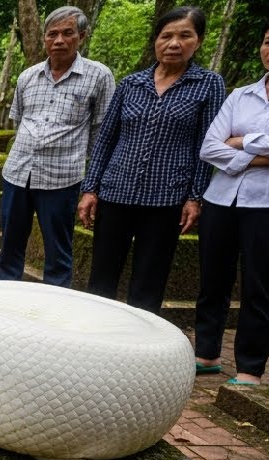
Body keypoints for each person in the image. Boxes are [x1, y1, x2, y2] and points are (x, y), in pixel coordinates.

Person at [78, 6, 224, 314]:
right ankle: (92, 337)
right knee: (101, 278)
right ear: (155, 40)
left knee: (148, 282)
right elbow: (107, 138)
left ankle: (139, 350)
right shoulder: (132, 83)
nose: (174, 43)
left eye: (184, 36)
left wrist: (195, 197)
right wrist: (90, 189)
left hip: (166, 197)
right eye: (166, 36)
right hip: (116, 191)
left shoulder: (208, 84)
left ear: (198, 41)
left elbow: (206, 145)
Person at [192, 9, 269, 386]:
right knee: (212, 279)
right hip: (221, 199)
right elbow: (209, 147)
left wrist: (241, 142)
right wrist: (267, 156)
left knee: (260, 285)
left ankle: (249, 368)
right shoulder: (239, 95)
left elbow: (228, 145)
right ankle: (206, 353)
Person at [0, 6, 114, 287]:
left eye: (67, 33)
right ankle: (3, 302)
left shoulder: (99, 76)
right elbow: (21, 120)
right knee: (10, 247)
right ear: (45, 39)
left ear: (81, 36)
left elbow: (101, 133)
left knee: (57, 253)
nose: (59, 40)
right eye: (52, 34)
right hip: (18, 174)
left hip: (61, 179)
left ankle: (54, 312)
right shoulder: (28, 77)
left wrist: (93, 187)